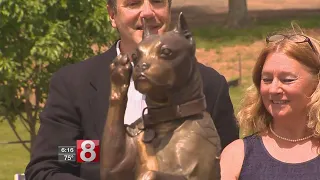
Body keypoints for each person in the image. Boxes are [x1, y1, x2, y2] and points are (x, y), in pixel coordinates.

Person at [25, 0, 239, 179]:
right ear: (112, 14)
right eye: (133, 3)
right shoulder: (74, 84)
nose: (147, 12)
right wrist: (95, 152)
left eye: (157, 1)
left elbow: (230, 168)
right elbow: (49, 165)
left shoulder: (210, 85)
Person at [220, 28, 320, 180]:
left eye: (287, 79)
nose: (273, 89)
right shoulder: (236, 156)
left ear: (316, 83)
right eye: (266, 79)